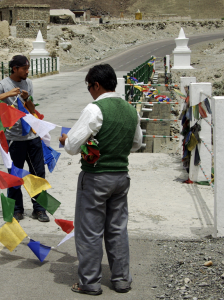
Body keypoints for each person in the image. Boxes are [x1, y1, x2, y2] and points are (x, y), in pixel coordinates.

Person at [59, 64, 142, 295]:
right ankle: (122, 279)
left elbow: (72, 146)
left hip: (96, 178)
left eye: (89, 87)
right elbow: (136, 144)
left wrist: (66, 139)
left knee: (90, 231)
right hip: (121, 177)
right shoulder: (130, 109)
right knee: (117, 230)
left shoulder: (95, 109)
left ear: (96, 84)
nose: (89, 92)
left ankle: (90, 282)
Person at [0, 55, 49, 222]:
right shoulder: (3, 85)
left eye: (28, 68)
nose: (27, 71)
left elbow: (32, 109)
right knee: (14, 176)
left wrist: (26, 98)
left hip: (32, 136)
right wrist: (8, 94)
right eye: (24, 68)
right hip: (14, 139)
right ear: (14, 69)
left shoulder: (28, 83)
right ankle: (17, 209)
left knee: (38, 174)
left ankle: (39, 209)